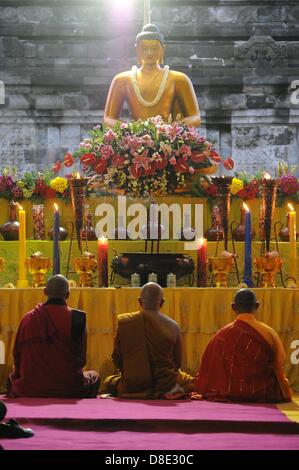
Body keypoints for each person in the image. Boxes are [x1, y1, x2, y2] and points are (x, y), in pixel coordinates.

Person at [8, 275, 100, 398]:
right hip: (67, 388)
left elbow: (17, 355)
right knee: (95, 376)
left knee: (10, 379)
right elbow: (81, 360)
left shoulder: (28, 318)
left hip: (28, 387)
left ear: (45, 291)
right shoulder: (77, 318)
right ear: (68, 294)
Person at [194, 288, 292, 403]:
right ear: (257, 306)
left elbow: (208, 365)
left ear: (233, 307)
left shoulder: (222, 334)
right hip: (263, 391)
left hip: (229, 390)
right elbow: (280, 360)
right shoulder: (269, 332)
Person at [104, 282, 195, 398]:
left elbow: (117, 358)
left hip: (133, 384)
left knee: (109, 382)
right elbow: (177, 362)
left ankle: (141, 392)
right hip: (166, 384)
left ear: (140, 301)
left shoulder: (126, 322)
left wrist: (134, 371)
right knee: (192, 383)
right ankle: (170, 392)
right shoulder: (173, 326)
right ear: (162, 302)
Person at [104, 24, 201, 128]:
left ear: (162, 49)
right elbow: (108, 119)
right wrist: (131, 130)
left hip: (167, 140)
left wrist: (169, 129)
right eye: (144, 49)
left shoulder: (178, 79)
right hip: (135, 140)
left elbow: (195, 118)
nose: (149, 53)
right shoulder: (122, 80)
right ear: (137, 50)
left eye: (154, 48)